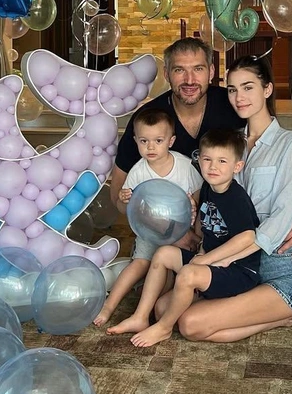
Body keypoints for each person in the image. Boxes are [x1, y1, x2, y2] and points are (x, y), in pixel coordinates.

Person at [154, 55, 292, 343]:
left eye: (248, 87)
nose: (239, 97)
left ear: (267, 89)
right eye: (232, 89)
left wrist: (213, 260)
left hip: (281, 268)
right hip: (239, 269)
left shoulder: (290, 143)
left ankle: (289, 314)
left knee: (190, 325)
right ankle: (272, 314)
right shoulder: (230, 143)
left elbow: (282, 216)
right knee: (163, 309)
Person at [109, 37, 292, 258]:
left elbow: (286, 160)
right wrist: (172, 234)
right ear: (166, 74)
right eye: (179, 70)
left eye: (198, 69)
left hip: (228, 235)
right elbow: (118, 194)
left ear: (211, 71)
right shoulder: (148, 120)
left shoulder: (235, 105)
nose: (189, 80)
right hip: (166, 232)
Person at [108, 129, 261, 347]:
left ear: (237, 166)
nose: (213, 167)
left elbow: (247, 237)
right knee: (163, 254)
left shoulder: (234, 197)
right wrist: (197, 236)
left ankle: (164, 328)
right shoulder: (208, 188)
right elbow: (205, 229)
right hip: (210, 262)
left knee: (188, 275)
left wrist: (205, 259)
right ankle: (140, 316)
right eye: (207, 159)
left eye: (222, 161)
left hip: (237, 270)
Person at [93, 107, 203, 327]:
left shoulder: (184, 166)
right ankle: (109, 305)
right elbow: (129, 210)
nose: (150, 147)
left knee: (167, 271)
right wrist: (124, 200)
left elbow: (200, 198)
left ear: (171, 141)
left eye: (158, 141)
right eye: (144, 141)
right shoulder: (138, 171)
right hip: (150, 230)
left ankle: (149, 309)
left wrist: (193, 215)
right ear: (136, 141)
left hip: (179, 232)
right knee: (139, 264)